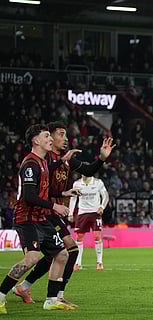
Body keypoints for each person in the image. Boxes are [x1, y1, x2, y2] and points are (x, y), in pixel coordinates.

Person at [13, 121, 115, 307]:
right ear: (50, 137)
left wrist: (101, 158)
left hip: (54, 210)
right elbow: (38, 192)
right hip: (43, 210)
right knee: (66, 250)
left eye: (66, 135)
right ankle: (51, 295)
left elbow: (88, 170)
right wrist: (62, 195)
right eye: (61, 134)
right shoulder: (45, 158)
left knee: (60, 253)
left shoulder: (66, 158)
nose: (65, 139)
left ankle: (32, 288)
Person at [0, 124, 78, 313]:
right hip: (26, 218)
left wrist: (63, 191)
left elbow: (43, 190)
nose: (50, 139)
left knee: (62, 254)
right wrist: (54, 205)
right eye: (46, 136)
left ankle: (51, 300)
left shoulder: (43, 163)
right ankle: (1, 294)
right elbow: (29, 196)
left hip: (41, 218)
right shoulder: (31, 164)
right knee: (32, 258)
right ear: (36, 141)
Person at [68, 175, 109, 271]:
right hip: (82, 213)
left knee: (97, 236)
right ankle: (78, 263)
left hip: (95, 212)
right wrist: (70, 213)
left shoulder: (98, 182)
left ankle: (99, 262)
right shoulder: (77, 184)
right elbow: (73, 198)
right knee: (79, 237)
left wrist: (102, 207)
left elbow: (105, 195)